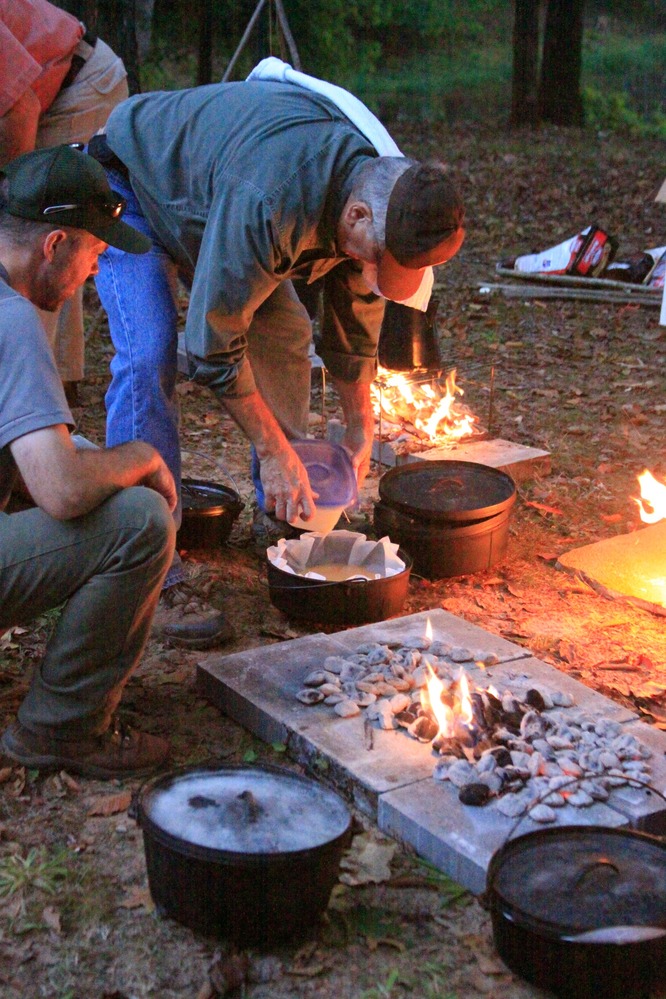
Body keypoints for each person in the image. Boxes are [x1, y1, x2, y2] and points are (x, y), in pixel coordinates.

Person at [90, 67, 465, 647]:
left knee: (286, 329)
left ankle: (291, 508)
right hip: (133, 185)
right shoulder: (273, 199)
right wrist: (271, 448)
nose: (375, 274)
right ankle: (147, 572)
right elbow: (213, 345)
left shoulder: (381, 195)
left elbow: (353, 323)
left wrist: (359, 428)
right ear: (357, 218)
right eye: (379, 259)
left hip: (213, 201)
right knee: (150, 353)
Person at [0, 144, 179, 779]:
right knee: (139, 519)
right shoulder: (13, 319)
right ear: (53, 246)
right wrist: (142, 456)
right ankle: (61, 729)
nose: (96, 274)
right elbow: (62, 492)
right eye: (95, 253)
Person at [0, 0, 129, 404]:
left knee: (37, 234)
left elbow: (19, 108)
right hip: (37, 94)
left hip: (78, 85)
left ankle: (32, 397)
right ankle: (46, 385)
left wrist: (10, 205)